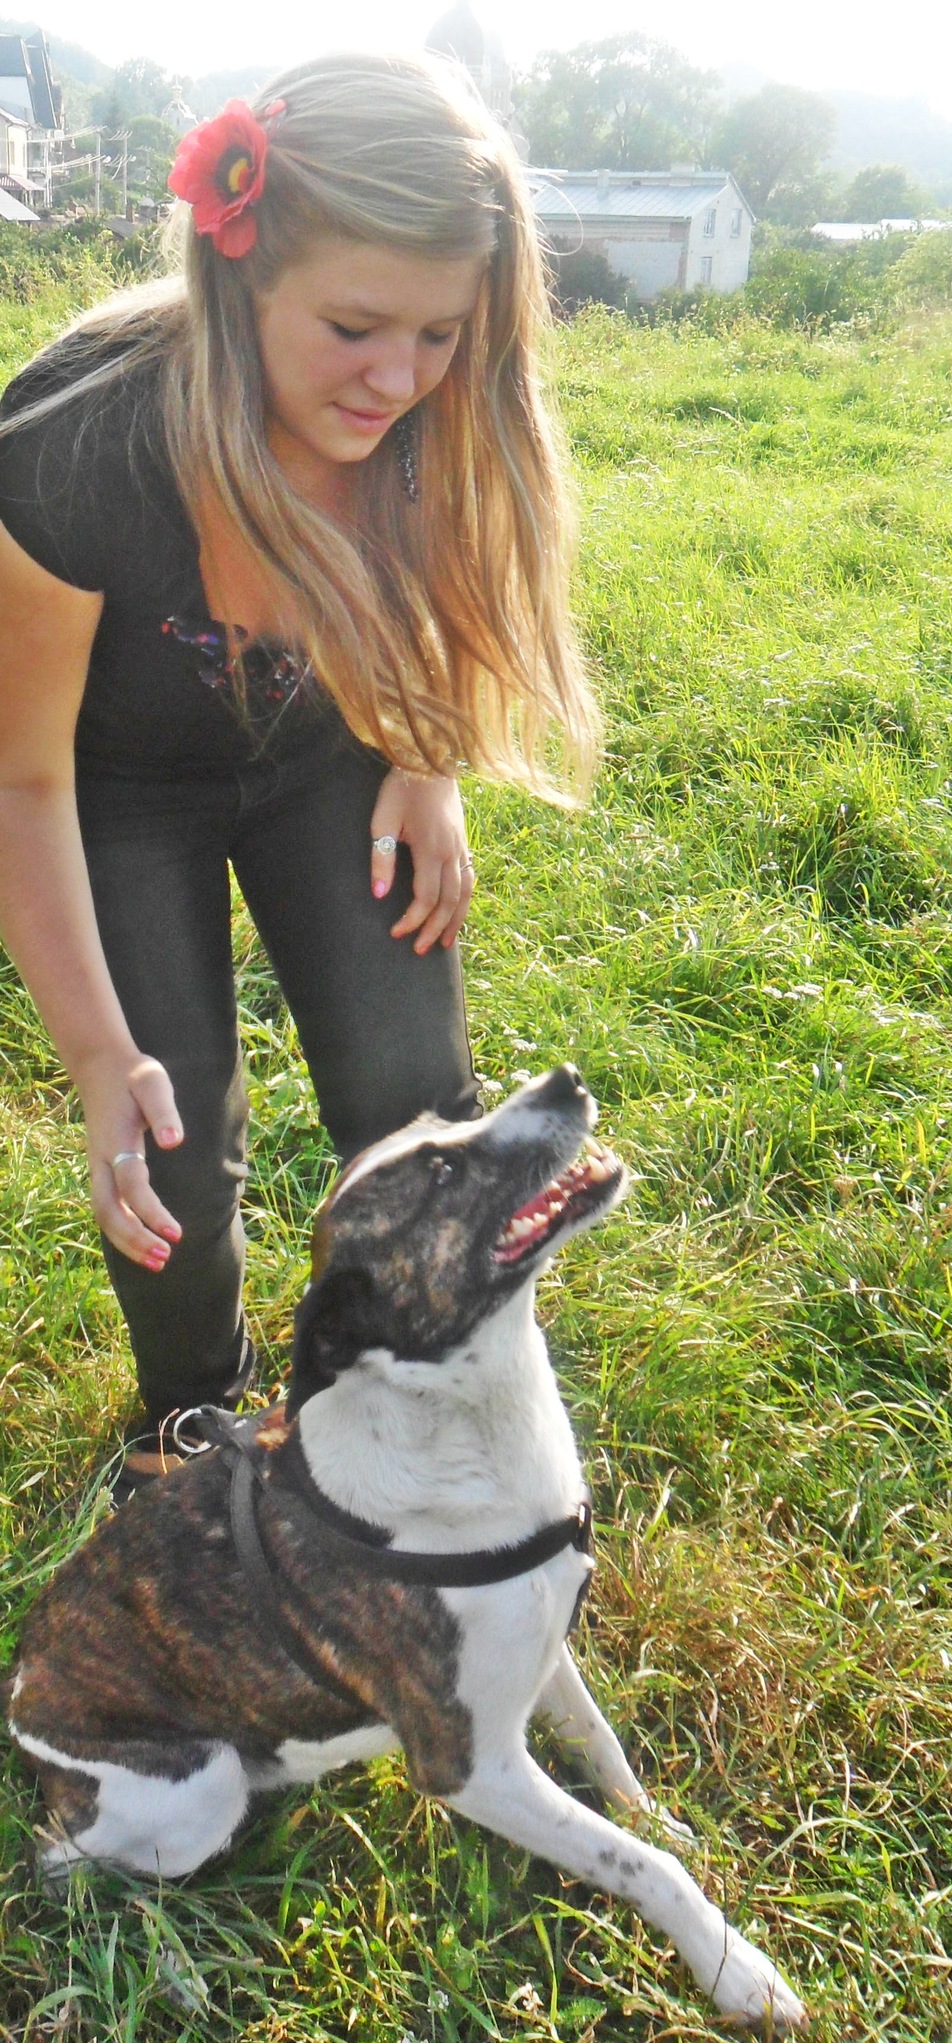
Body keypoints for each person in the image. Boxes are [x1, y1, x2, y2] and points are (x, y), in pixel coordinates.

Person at [0, 53, 597, 1497]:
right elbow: (21, 782)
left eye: (439, 333)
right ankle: (192, 1418)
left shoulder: (435, 406)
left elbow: (451, 578)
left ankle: (420, 1384)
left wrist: (428, 759)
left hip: (329, 755)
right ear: (240, 269)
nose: (397, 380)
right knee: (169, 1131)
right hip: (112, 793)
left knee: (411, 1094)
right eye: (352, 327)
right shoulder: (72, 444)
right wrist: (95, 1055)